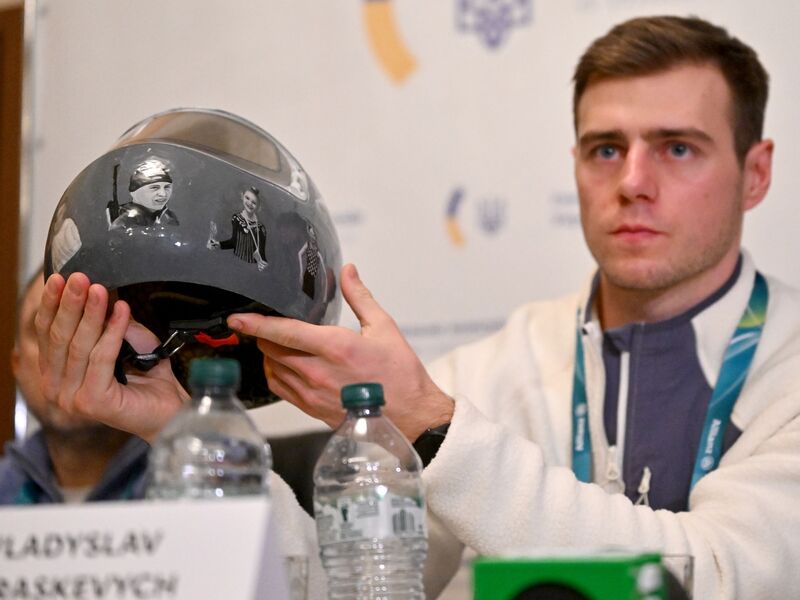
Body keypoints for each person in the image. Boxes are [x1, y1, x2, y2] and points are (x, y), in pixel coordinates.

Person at [35, 16, 800, 599]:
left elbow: (721, 576)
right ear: (575, 165)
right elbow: (347, 588)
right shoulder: (494, 370)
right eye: (606, 149)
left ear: (756, 172)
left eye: (677, 148)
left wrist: (432, 428)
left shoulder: (789, 370)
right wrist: (187, 435)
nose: (633, 182)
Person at [0, 268, 149, 504]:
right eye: (45, 330)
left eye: (92, 320)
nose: (72, 347)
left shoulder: (190, 478)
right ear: (17, 365)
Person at [207, 186, 269, 271]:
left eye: (253, 202)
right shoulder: (233, 219)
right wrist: (216, 244)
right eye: (247, 198)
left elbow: (262, 254)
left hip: (250, 270)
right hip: (228, 264)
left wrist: (261, 264)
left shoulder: (261, 227)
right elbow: (232, 242)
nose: (249, 203)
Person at [109, 158, 179, 230]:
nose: (163, 194)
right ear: (134, 192)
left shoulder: (168, 215)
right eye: (154, 187)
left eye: (167, 187)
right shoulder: (125, 222)